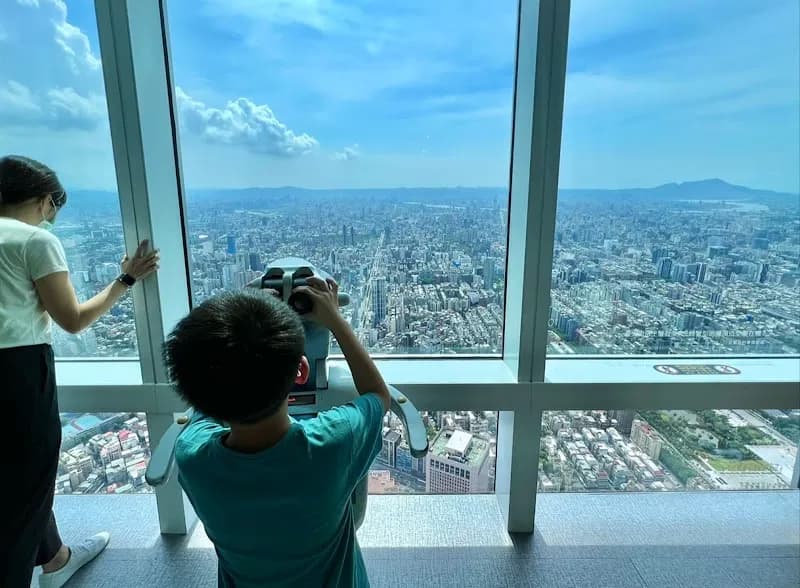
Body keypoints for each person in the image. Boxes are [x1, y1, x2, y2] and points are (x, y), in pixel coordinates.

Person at [163, 278, 391, 587]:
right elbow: (377, 396)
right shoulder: (332, 445)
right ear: (302, 370)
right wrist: (335, 320)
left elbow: (207, 396)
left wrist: (237, 316)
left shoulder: (192, 456)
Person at [0, 155, 160, 587]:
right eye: (54, 207)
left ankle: (55, 559)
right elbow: (72, 318)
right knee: (28, 478)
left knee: (12, 474)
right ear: (44, 200)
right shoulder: (34, 240)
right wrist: (124, 280)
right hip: (15, 370)